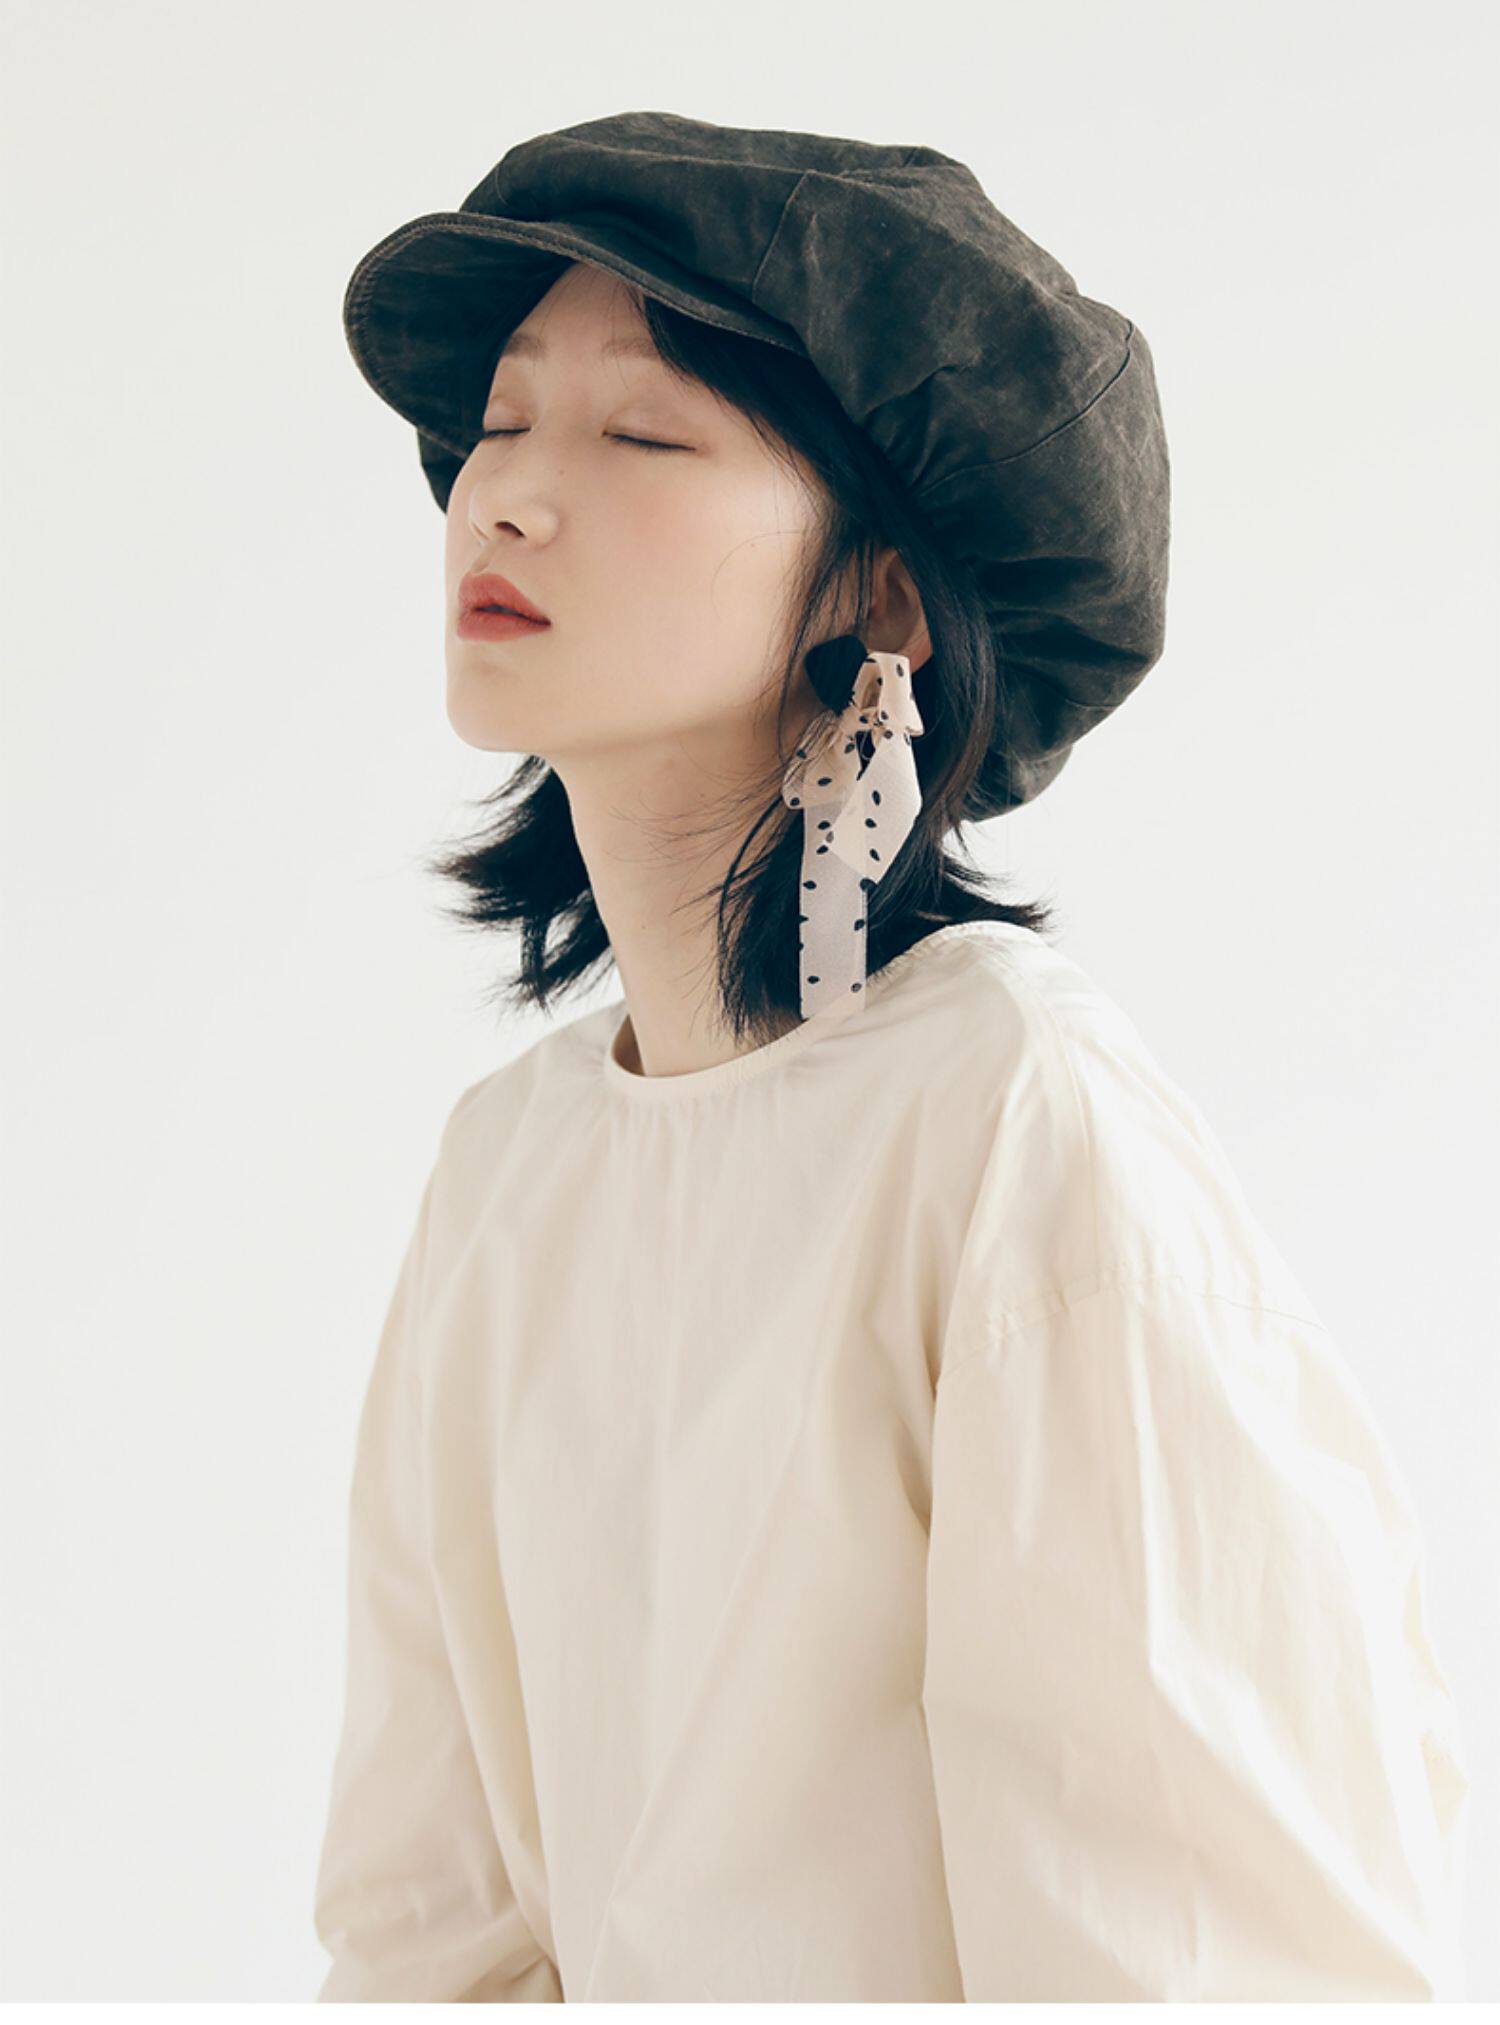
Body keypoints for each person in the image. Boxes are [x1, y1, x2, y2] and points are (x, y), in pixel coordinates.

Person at [311, 116, 1471, 2001]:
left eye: (641, 434)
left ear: (882, 598)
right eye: (502, 421)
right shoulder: (508, 1169)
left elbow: (1210, 1950)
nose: (504, 496)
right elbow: (427, 1934)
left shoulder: (1008, 1115)